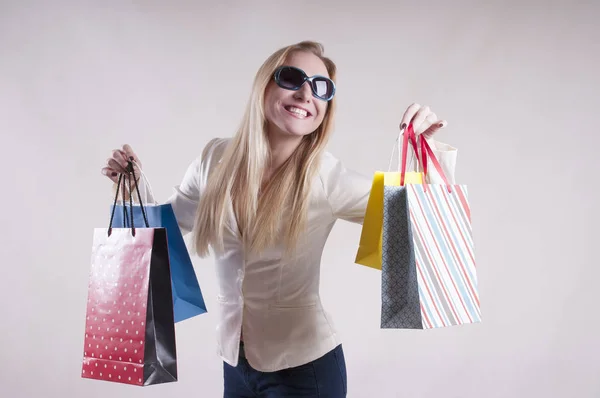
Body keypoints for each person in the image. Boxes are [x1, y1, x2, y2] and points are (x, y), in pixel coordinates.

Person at [101, 41, 457, 397]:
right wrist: (132, 190)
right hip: (234, 364)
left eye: (321, 87)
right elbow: (171, 225)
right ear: (264, 85)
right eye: (292, 77)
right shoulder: (215, 158)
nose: (306, 93)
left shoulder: (326, 177)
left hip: (306, 371)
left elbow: (408, 219)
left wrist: (422, 157)